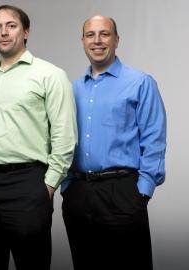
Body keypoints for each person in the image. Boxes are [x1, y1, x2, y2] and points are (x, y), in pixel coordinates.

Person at [0, 5, 77, 270]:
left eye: (11, 26)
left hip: (28, 184)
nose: (3, 33)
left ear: (25, 32)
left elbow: (64, 135)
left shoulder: (50, 75)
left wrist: (48, 185)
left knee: (32, 263)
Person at [61, 15, 166, 270]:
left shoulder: (140, 83)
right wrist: (66, 185)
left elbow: (155, 138)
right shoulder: (70, 90)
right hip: (79, 193)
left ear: (117, 40)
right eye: (90, 35)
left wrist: (142, 191)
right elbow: (60, 138)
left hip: (123, 192)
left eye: (104, 34)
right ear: (83, 41)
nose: (97, 41)